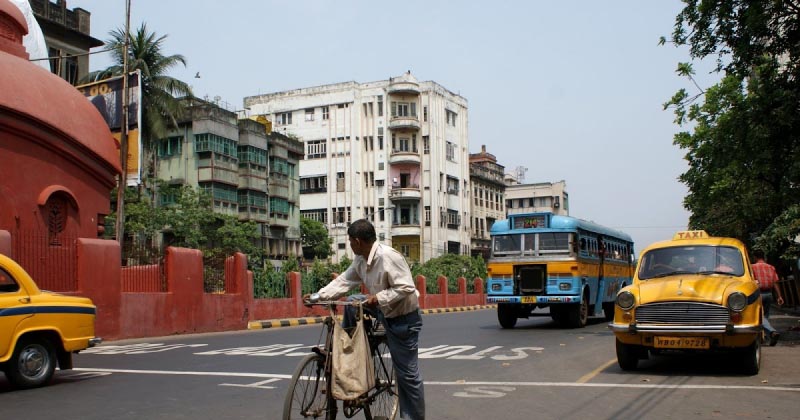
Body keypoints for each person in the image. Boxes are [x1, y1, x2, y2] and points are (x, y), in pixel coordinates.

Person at [307, 219, 425, 420]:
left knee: (407, 376)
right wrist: (317, 296)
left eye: (350, 242)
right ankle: (354, 352)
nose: (350, 245)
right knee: (354, 302)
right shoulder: (361, 260)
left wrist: (378, 298)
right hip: (381, 310)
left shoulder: (388, 257)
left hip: (402, 318)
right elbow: (344, 281)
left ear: (357, 241)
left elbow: (406, 287)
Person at [751, 249, 784, 346]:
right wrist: (779, 296)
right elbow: (775, 283)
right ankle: (765, 336)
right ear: (763, 256)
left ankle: (771, 332)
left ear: (755, 257)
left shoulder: (752, 267)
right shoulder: (771, 267)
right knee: (765, 316)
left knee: (759, 316)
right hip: (769, 294)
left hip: (758, 294)